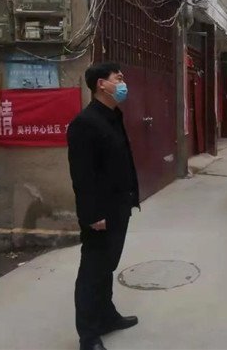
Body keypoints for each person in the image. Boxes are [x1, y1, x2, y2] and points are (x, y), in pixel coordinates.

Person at [67, 62, 140, 350]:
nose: (123, 84)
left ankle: (107, 317)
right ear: (101, 84)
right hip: (100, 213)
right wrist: (92, 215)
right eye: (118, 78)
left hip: (119, 206)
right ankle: (88, 336)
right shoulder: (85, 123)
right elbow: (82, 176)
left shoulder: (113, 116)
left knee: (107, 266)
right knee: (92, 272)